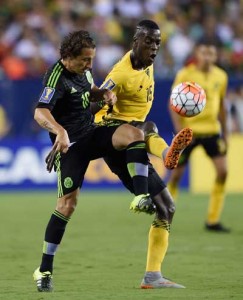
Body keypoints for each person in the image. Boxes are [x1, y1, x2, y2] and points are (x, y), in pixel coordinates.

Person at [33, 30, 163, 292]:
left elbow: (89, 89)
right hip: (72, 146)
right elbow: (40, 111)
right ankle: (44, 268)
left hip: (91, 132)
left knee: (133, 134)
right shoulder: (56, 77)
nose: (90, 65)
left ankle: (140, 196)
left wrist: (102, 94)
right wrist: (59, 131)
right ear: (68, 57)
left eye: (91, 59)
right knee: (67, 205)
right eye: (85, 60)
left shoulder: (84, 69)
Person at [94, 20, 192, 288]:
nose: (154, 47)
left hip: (134, 139)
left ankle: (153, 276)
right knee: (147, 127)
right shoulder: (121, 73)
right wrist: (103, 99)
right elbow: (93, 102)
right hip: (114, 136)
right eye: (149, 41)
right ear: (135, 41)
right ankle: (167, 152)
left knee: (167, 208)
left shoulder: (146, 63)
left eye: (158, 42)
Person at [167, 39, 230, 233]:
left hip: (211, 131)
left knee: (223, 172)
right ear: (197, 53)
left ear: (216, 55)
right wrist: (180, 131)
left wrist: (225, 132)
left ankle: (213, 219)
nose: (208, 57)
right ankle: (165, 214)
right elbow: (173, 104)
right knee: (176, 175)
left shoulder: (221, 76)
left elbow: (221, 106)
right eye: (204, 53)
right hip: (189, 133)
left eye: (211, 53)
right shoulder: (185, 74)